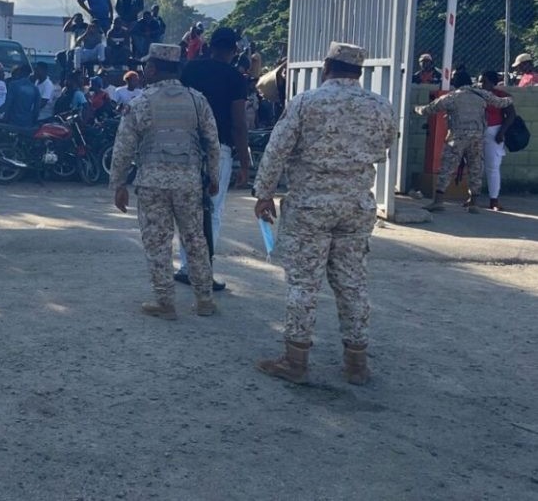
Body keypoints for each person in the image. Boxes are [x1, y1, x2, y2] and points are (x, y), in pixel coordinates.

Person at [252, 42, 397, 386]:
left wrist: (264, 194)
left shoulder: (306, 103)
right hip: (356, 206)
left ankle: (295, 359)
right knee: (352, 283)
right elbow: (386, 146)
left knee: (303, 283)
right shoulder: (381, 106)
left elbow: (277, 150)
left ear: (326, 67)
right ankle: (356, 363)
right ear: (358, 72)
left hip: (310, 207)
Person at [109, 43, 220, 319]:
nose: (145, 70)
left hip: (152, 184)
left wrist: (118, 185)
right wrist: (214, 177)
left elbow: (122, 147)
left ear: (154, 68)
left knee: (157, 242)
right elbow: (212, 142)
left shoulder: (141, 102)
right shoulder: (197, 100)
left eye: (147, 66)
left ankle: (165, 303)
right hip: (189, 181)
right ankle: (205, 300)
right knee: (195, 239)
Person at [174, 27, 251, 291]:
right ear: (235, 49)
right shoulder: (236, 78)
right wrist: (246, 161)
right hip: (220, 149)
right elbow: (239, 123)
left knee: (187, 208)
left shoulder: (191, 69)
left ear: (210, 45)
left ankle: (185, 266)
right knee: (213, 212)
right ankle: (202, 268)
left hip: (187, 146)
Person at [416, 69, 513, 213]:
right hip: (477, 137)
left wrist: (415, 109)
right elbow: (502, 102)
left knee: (447, 168)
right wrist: (510, 98)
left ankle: (438, 201)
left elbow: (429, 110)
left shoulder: (452, 97)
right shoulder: (482, 94)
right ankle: (473, 202)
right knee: (476, 168)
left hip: (457, 137)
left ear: (456, 83)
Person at [480, 70, 516, 211]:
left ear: (492, 82)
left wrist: (502, 132)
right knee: (475, 166)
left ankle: (494, 199)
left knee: (493, 166)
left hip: (494, 131)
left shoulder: (501, 96)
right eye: (481, 81)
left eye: (485, 81)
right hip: (477, 132)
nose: (482, 84)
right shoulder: (477, 95)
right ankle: (472, 198)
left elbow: (511, 115)